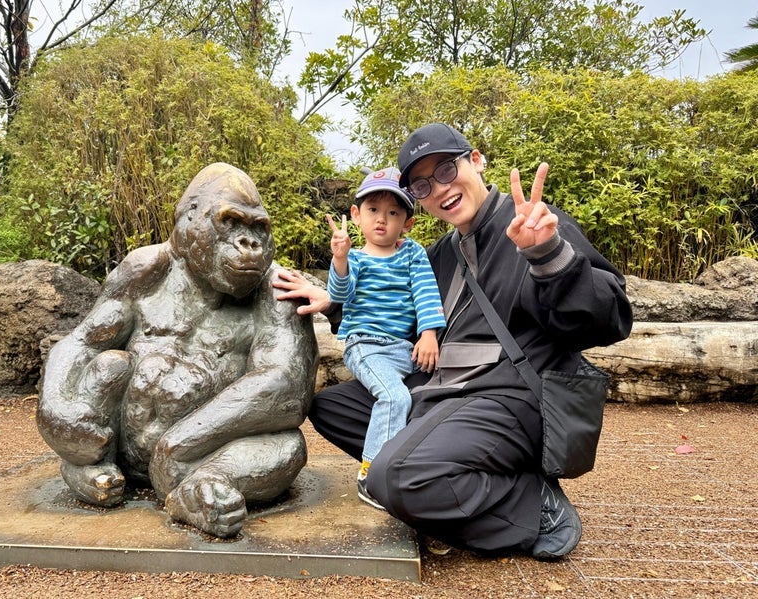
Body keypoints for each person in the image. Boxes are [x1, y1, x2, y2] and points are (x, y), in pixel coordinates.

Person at [275, 123, 632, 560]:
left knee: (395, 477)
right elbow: (403, 323)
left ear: (476, 160)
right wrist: (333, 305)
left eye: (446, 169)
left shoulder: (530, 223)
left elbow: (610, 321)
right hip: (446, 391)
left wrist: (548, 256)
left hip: (510, 398)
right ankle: (455, 473)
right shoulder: (441, 253)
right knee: (332, 408)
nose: (439, 188)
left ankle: (530, 506)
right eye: (423, 185)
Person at [38, 162, 318, 539]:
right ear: (189, 217)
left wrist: (177, 446)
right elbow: (81, 342)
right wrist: (56, 410)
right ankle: (86, 463)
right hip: (123, 443)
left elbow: (286, 387)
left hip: (202, 456)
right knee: (108, 365)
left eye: (258, 229)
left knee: (287, 448)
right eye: (231, 222)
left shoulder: (277, 290)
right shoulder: (145, 270)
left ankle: (203, 487)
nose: (249, 244)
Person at [325, 167, 446, 509]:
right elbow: (340, 294)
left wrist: (428, 334)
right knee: (394, 398)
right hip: (365, 345)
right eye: (373, 210)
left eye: (393, 213)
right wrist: (340, 258)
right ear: (356, 214)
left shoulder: (412, 253)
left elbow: (425, 293)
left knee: (424, 400)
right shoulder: (356, 259)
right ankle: (371, 476)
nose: (382, 219)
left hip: (404, 349)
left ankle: (419, 468)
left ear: (407, 223)